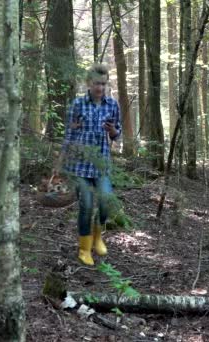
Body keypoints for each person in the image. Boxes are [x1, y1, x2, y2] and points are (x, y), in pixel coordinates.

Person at [54, 63, 121, 266]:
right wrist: (60, 162)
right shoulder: (77, 104)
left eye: (103, 83)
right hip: (80, 166)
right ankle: (84, 248)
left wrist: (112, 132)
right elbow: (68, 135)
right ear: (88, 83)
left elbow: (118, 135)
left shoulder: (112, 105)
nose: (99, 87)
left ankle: (98, 237)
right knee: (86, 204)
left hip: (101, 165)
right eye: (95, 83)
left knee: (105, 202)